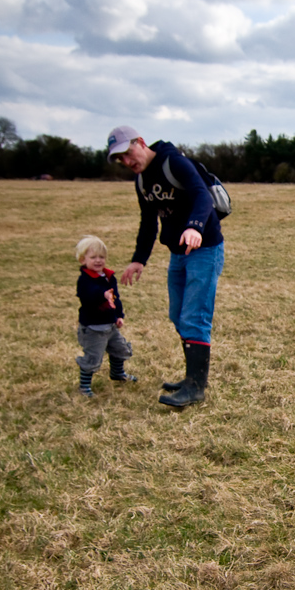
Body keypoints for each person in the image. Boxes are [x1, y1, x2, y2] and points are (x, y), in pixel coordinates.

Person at [106, 125, 224, 407]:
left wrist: (195, 226)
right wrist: (138, 259)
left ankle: (196, 387)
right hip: (178, 253)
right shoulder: (141, 181)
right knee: (177, 314)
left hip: (204, 248)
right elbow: (148, 222)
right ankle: (190, 378)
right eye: (120, 159)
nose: (126, 161)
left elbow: (202, 195)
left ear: (141, 142)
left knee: (194, 316)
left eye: (127, 153)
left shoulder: (173, 162)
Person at [75, 235, 137, 397]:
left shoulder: (109, 277)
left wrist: (118, 315)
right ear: (83, 260)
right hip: (93, 328)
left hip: (110, 325)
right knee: (93, 358)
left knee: (120, 349)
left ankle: (117, 373)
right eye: (93, 257)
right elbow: (86, 296)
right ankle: (84, 386)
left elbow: (115, 298)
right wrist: (102, 294)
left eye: (101, 257)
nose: (98, 261)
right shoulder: (85, 280)